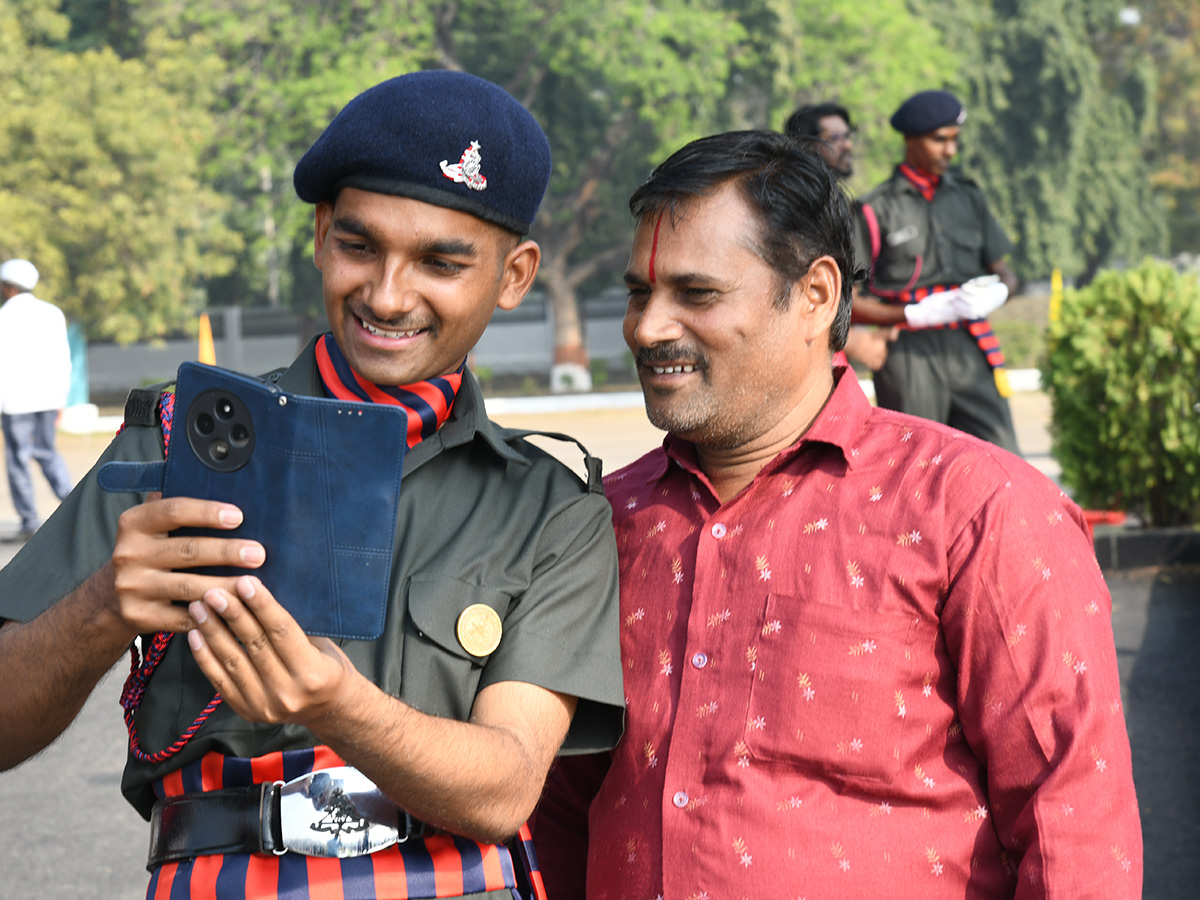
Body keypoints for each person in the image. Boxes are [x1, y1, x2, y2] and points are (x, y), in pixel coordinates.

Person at [0, 70, 624, 900]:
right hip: (222, 877)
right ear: (323, 233)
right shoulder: (182, 436)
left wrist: (338, 706)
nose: (388, 295)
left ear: (514, 277)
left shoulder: (551, 507)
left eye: (441, 262)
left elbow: (505, 787)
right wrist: (103, 606)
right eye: (360, 245)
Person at [532, 130, 1141, 898]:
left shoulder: (978, 509)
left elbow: (1072, 826)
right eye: (638, 293)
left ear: (816, 294)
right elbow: (559, 816)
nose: (648, 328)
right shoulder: (603, 523)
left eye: (696, 293)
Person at [852, 89, 1021, 453]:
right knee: (916, 466)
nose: (950, 151)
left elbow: (1006, 273)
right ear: (910, 140)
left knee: (1004, 460)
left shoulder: (969, 196)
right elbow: (844, 303)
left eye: (955, 140)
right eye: (939, 140)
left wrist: (1000, 291)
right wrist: (911, 313)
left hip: (967, 343)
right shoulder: (874, 210)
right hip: (908, 351)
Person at [784, 101, 895, 373]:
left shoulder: (839, 204)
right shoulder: (789, 206)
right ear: (807, 146)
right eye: (835, 138)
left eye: (848, 136)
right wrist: (856, 340)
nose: (848, 146)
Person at [0, 258, 74, 541]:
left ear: (8, 288)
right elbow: (63, 359)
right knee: (47, 453)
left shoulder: (3, 317)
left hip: (15, 403)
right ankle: (72, 505)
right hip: (47, 398)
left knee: (18, 460)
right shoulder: (52, 314)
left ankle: (30, 521)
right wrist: (61, 399)